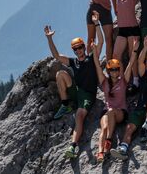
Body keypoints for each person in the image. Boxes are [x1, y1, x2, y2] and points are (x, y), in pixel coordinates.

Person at [43, 14, 103, 159]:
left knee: (80, 115)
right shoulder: (73, 62)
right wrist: (49, 38)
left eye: (80, 48)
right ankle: (65, 104)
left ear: (84, 47)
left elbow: (101, 41)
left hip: (88, 95)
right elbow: (57, 56)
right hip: (77, 91)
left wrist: (96, 24)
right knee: (60, 74)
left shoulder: (91, 58)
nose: (78, 51)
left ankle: (73, 145)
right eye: (75, 49)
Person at [92, 39, 139, 163]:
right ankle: (100, 153)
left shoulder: (123, 81)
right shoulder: (104, 82)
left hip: (121, 112)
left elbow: (131, 62)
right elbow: (96, 66)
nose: (115, 71)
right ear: (108, 70)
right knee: (104, 127)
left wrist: (134, 49)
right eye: (112, 69)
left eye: (116, 69)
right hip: (107, 111)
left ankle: (108, 141)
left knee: (112, 111)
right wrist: (94, 52)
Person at [105, 0, 141, 92]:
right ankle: (121, 81)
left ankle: (136, 81)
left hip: (133, 28)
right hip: (122, 30)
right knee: (116, 56)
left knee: (133, 56)